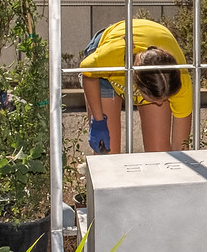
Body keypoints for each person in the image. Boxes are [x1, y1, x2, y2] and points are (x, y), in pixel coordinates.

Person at [79, 18, 190, 153]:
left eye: (165, 97)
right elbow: (88, 73)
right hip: (105, 69)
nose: (161, 102)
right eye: (156, 98)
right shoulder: (111, 56)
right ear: (138, 83)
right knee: (108, 153)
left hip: (154, 46)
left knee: (160, 153)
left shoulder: (177, 79)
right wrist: (98, 122)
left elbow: (181, 145)